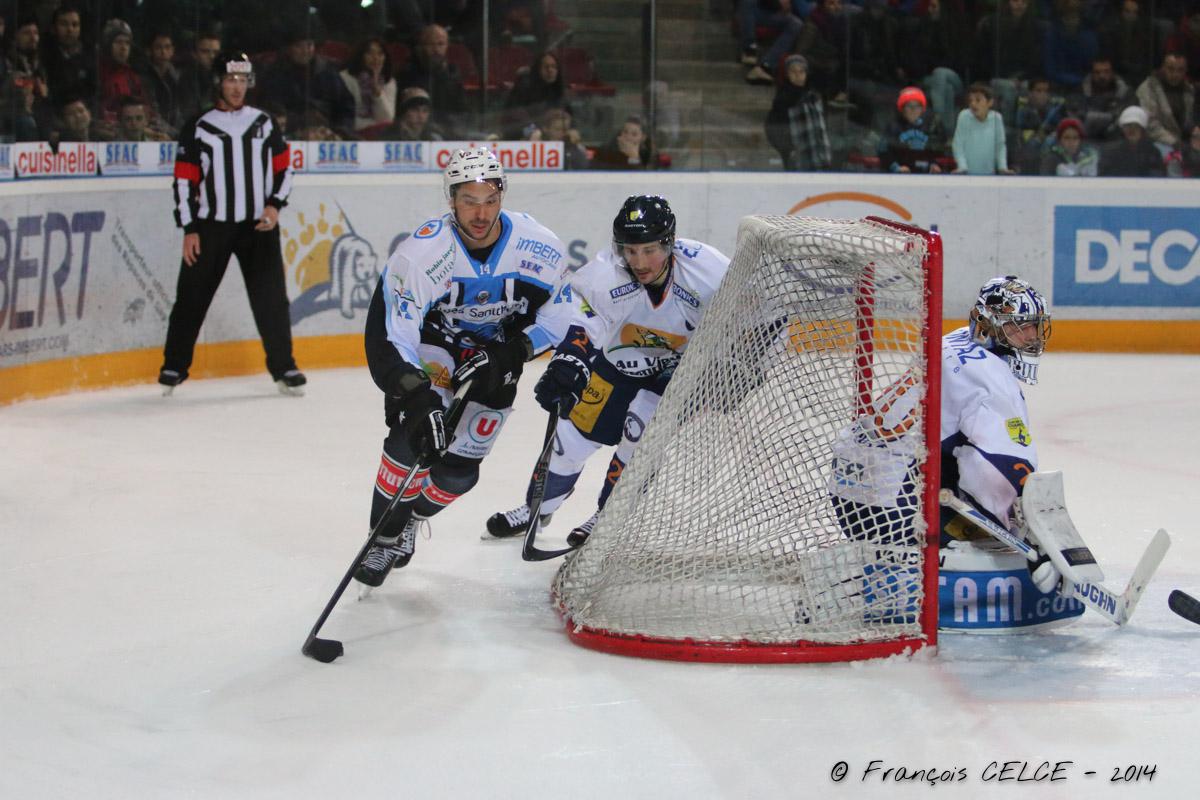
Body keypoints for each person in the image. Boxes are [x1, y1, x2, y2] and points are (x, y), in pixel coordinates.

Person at [353, 146, 572, 587]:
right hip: (433, 345)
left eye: (490, 200)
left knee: (458, 474)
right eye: (469, 201)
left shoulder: (540, 247)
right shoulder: (422, 254)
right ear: (451, 199)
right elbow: (393, 334)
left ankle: (412, 518)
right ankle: (383, 538)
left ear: (502, 196)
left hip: (495, 355)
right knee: (413, 440)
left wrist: (513, 353)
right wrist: (415, 395)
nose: (481, 213)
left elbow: (561, 317)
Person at [486, 196, 730, 546]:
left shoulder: (710, 271)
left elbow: (757, 314)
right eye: (631, 251)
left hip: (675, 376)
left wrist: (739, 368)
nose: (639, 262)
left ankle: (607, 517)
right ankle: (536, 509)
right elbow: (585, 321)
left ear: (669, 243)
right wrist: (569, 361)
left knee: (638, 436)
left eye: (649, 250)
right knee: (569, 442)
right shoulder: (607, 271)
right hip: (616, 364)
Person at [827, 276, 1069, 629]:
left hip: (849, 492)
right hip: (896, 510)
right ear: (988, 325)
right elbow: (996, 472)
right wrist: (1027, 538)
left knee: (951, 466)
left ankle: (876, 568)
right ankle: (890, 583)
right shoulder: (992, 379)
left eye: (1034, 326)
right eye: (1018, 328)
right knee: (989, 522)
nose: (1031, 337)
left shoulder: (955, 340)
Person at [159, 52, 305, 396]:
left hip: (259, 227)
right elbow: (184, 180)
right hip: (211, 227)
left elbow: (285, 168)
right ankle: (174, 366)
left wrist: (274, 206)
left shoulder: (264, 123)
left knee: (271, 300)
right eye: (230, 80)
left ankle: (284, 366)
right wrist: (189, 228)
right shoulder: (199, 126)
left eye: (242, 80)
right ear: (218, 83)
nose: (237, 87)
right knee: (191, 297)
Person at [764, 54, 833, 171]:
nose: (798, 75)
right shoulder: (783, 99)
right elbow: (774, 128)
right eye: (793, 71)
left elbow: (823, 125)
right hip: (797, 160)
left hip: (821, 157)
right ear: (787, 74)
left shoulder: (814, 97)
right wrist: (788, 149)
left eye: (801, 71)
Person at [879, 85, 946, 173]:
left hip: (925, 176)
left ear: (922, 109)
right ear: (902, 109)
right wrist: (896, 168)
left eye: (917, 106)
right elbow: (883, 151)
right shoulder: (893, 127)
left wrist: (934, 164)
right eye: (909, 106)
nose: (913, 110)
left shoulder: (930, 127)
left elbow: (935, 151)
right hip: (900, 176)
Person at [1135, 52, 1195, 149]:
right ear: (1162, 68)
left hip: (1183, 143)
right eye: (1170, 69)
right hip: (1155, 143)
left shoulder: (1189, 90)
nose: (1175, 74)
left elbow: (1189, 122)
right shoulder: (1148, 88)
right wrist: (1175, 143)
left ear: (1186, 71)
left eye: (1180, 70)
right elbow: (1150, 125)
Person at [338, 37, 398, 133]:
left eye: (380, 53)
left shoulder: (389, 82)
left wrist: (377, 92)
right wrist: (373, 126)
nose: (376, 58)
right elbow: (345, 118)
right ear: (360, 55)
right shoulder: (345, 78)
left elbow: (387, 119)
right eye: (370, 53)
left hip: (378, 133)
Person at [952, 83, 1013, 174]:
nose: (973, 104)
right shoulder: (964, 116)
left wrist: (1002, 168)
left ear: (990, 102)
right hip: (966, 174)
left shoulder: (996, 118)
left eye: (978, 100)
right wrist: (962, 167)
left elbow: (1000, 146)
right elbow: (958, 145)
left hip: (989, 174)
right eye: (970, 101)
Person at [1099, 103, 1167, 175]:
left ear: (1142, 129)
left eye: (1136, 126)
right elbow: (1104, 176)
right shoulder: (1110, 151)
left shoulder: (1152, 152)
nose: (1131, 129)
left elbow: (1157, 176)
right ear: (1122, 129)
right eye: (1128, 126)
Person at [591, 115, 656, 170]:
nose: (628, 137)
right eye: (625, 132)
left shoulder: (647, 155)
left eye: (634, 134)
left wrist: (634, 158)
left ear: (643, 138)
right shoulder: (606, 152)